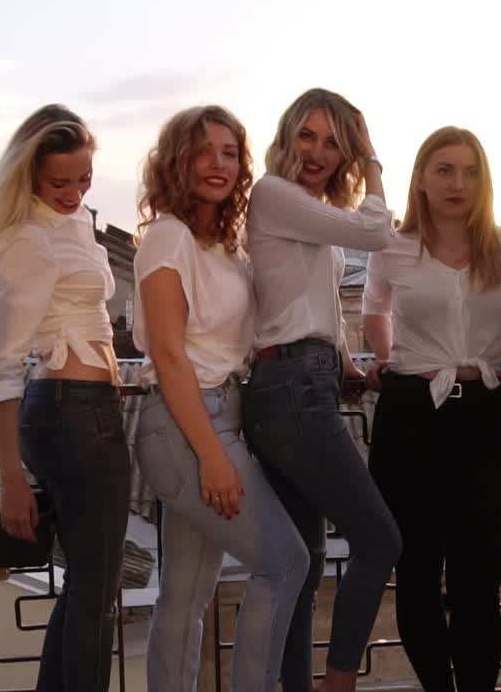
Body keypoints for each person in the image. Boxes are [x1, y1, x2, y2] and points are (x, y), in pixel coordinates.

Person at [131, 105, 308, 692]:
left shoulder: (223, 246)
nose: (218, 163)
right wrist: (211, 455)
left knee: (185, 596)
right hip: (188, 424)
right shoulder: (168, 237)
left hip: (217, 413)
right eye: (204, 151)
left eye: (229, 153)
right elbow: (168, 353)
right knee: (285, 563)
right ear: (177, 161)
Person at [241, 88, 401, 692]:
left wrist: (345, 365)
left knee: (302, 568)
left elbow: (315, 302)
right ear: (287, 137)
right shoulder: (274, 193)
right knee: (380, 540)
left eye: (333, 143)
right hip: (291, 390)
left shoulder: (307, 208)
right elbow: (378, 230)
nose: (317, 152)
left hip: (299, 384)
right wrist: (372, 158)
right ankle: (339, 681)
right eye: (307, 136)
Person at [0, 103, 130, 692]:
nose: (73, 193)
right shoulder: (30, 240)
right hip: (71, 413)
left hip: (86, 410)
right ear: (29, 175)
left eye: (83, 178)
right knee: (97, 589)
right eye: (58, 182)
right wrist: (11, 478)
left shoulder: (75, 224)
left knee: (90, 585)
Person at [363, 126, 501, 692]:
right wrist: (386, 358)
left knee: (478, 583)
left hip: (485, 416)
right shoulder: (392, 248)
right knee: (417, 575)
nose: (459, 183)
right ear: (421, 179)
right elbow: (374, 310)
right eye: (445, 170)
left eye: (471, 171)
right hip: (411, 416)